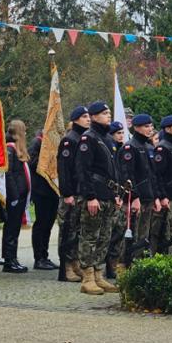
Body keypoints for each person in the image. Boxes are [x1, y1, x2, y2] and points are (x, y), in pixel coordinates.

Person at [75, 102, 119, 295]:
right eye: (103, 113)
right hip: (95, 195)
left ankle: (99, 275)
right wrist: (90, 196)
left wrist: (116, 194)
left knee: (104, 237)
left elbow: (113, 169)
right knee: (90, 236)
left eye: (108, 112)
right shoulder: (88, 138)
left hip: (108, 194)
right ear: (93, 117)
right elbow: (83, 170)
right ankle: (88, 278)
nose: (108, 116)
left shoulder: (107, 138)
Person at [116, 114, 160, 267]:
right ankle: (122, 265)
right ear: (136, 128)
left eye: (151, 126)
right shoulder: (130, 147)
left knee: (143, 234)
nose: (150, 129)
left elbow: (153, 175)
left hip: (148, 197)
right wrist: (133, 197)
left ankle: (138, 264)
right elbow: (127, 176)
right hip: (136, 199)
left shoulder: (149, 147)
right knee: (130, 234)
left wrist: (156, 198)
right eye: (146, 126)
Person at [56, 106, 89, 282]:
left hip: (80, 192)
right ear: (75, 119)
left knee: (78, 231)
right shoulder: (69, 140)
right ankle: (67, 267)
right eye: (84, 116)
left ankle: (75, 263)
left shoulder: (84, 138)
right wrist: (67, 193)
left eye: (88, 116)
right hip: (71, 194)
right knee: (68, 231)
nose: (88, 119)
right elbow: (64, 169)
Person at [151, 116, 172, 255]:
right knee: (162, 232)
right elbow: (157, 175)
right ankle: (159, 260)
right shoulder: (162, 148)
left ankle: (170, 259)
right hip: (167, 197)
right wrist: (162, 196)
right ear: (168, 128)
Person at [28, 128, 58, 271]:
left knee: (49, 225)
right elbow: (32, 163)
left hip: (53, 190)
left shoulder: (53, 144)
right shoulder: (37, 143)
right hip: (41, 190)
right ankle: (38, 258)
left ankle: (45, 256)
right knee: (41, 224)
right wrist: (48, 157)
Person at [3, 120, 31, 273]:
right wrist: (14, 195)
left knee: (15, 229)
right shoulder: (10, 148)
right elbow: (8, 173)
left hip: (20, 195)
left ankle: (13, 258)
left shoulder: (16, 149)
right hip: (14, 196)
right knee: (11, 229)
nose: (25, 133)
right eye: (24, 130)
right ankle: (9, 260)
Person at [105, 121, 126, 277]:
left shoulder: (122, 150)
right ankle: (107, 266)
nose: (121, 136)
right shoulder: (111, 150)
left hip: (121, 196)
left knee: (119, 232)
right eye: (118, 133)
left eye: (122, 133)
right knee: (109, 233)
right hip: (112, 196)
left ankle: (114, 264)